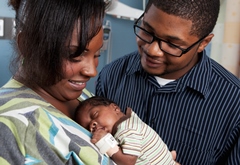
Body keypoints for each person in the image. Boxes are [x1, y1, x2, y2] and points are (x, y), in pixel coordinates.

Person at [96, 0, 240, 164]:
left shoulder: (235, 105)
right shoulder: (112, 75)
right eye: (147, 31)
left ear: (203, 43)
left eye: (172, 44)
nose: (152, 50)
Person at [0, 0, 117, 164]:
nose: (92, 71)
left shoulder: (80, 96)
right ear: (26, 45)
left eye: (96, 54)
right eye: (74, 56)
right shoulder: (9, 126)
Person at [75, 96, 175, 165]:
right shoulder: (130, 120)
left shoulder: (126, 130)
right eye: (88, 127)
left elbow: (128, 162)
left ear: (115, 108)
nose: (92, 125)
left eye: (95, 115)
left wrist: (105, 143)